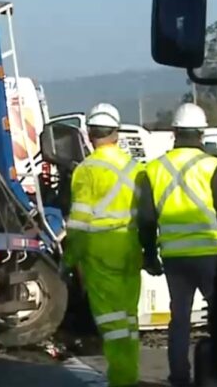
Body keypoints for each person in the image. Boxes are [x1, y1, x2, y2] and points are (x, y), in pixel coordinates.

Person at [63, 103, 161, 387]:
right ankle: (127, 375)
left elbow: (79, 224)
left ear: (90, 134)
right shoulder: (136, 169)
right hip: (129, 248)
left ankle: (121, 379)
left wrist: (68, 261)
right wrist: (149, 251)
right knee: (128, 319)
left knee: (112, 323)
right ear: (116, 134)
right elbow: (145, 217)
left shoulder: (86, 171)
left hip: (99, 253)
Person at [144, 103, 217, 387]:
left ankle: (179, 377)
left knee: (179, 318)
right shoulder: (214, 166)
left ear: (174, 133)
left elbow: (145, 217)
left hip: (174, 256)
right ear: (201, 134)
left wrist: (149, 254)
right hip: (211, 254)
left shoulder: (153, 169)